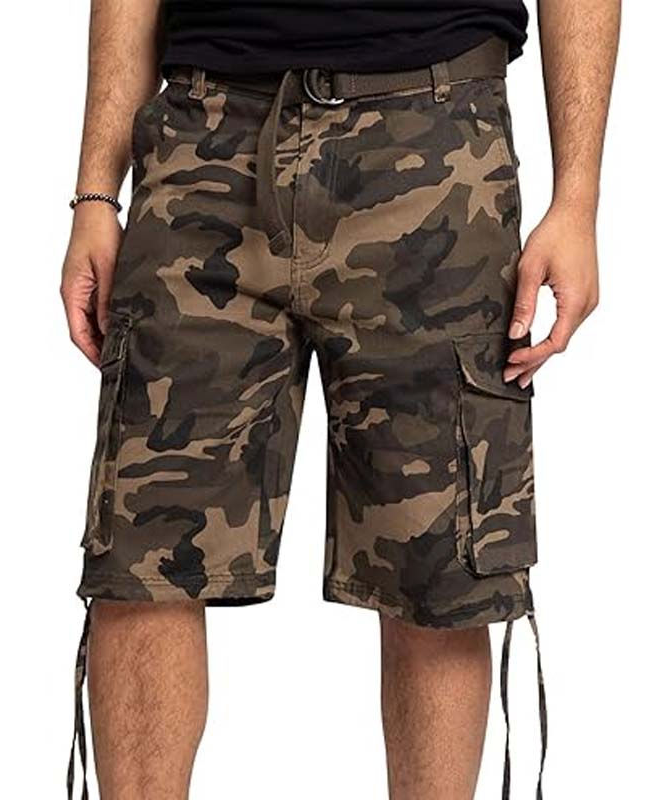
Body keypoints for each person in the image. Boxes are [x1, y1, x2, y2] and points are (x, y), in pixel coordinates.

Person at [60, 2, 620, 798]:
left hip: (435, 141)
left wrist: (579, 199)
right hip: (203, 141)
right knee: (143, 561)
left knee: (437, 575)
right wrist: (95, 192)